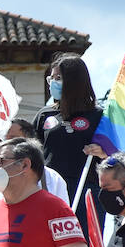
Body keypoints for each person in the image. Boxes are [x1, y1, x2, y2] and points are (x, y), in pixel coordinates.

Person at [33, 53, 102, 232]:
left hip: (86, 190)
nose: (52, 83)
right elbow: (31, 152)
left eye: (58, 78)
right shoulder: (44, 115)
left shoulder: (98, 115)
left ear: (74, 81)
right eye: (51, 78)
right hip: (49, 189)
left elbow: (117, 155)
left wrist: (103, 153)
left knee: (84, 244)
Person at [0, 119, 70, 226]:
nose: (5, 144)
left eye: (12, 139)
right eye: (1, 140)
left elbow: (63, 223)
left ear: (29, 143)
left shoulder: (52, 179)